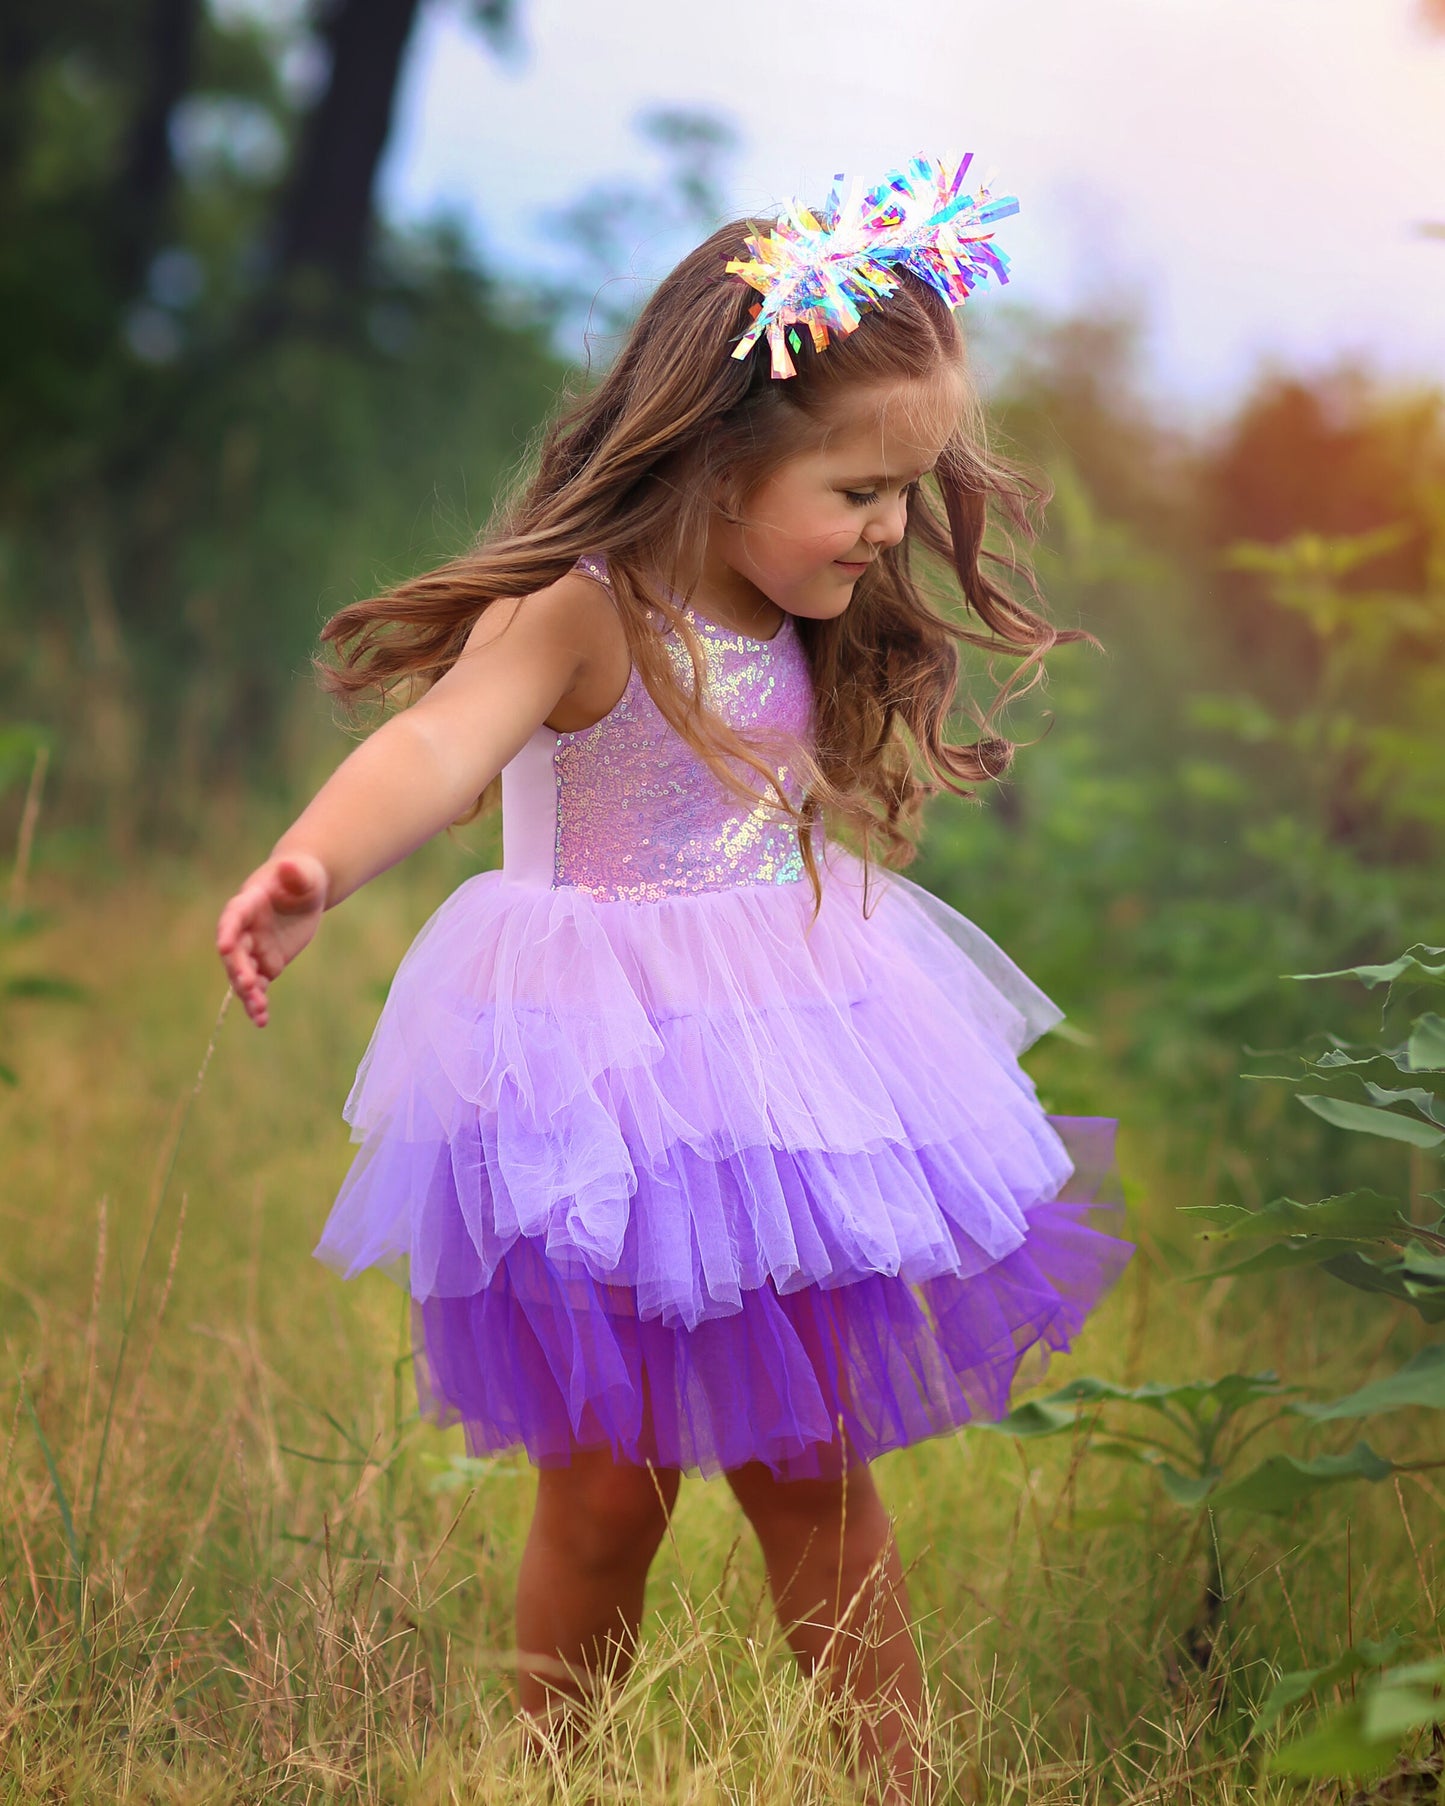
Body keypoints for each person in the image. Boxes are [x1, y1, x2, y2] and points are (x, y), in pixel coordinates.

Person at [216, 155, 1132, 1802]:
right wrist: (314, 866)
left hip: (776, 1080)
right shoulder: (580, 613)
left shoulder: (786, 616)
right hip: (591, 1086)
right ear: (717, 465)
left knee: (813, 1466)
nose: (888, 527)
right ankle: (551, 1769)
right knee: (602, 1489)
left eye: (906, 490)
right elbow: (435, 744)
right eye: (857, 489)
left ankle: (899, 1780)